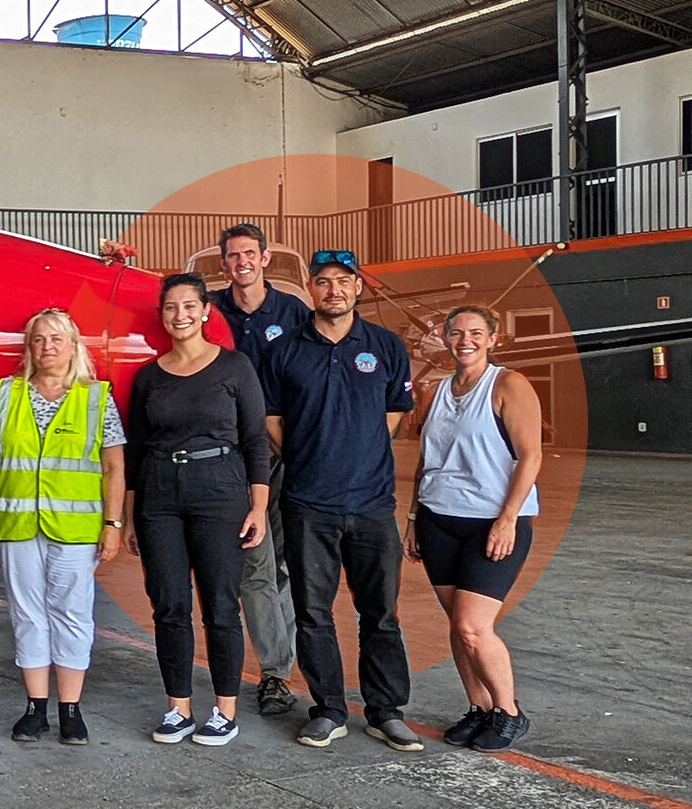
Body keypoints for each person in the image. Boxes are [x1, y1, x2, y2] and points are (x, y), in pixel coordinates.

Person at [261, 249, 420, 751]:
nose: (333, 289)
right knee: (313, 613)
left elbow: (395, 411)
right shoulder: (284, 348)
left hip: (373, 505)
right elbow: (270, 419)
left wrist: (360, 449)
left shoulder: (386, 346)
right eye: (323, 281)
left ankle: (385, 711)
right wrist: (312, 456)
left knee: (381, 613)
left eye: (343, 281)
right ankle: (329, 708)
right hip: (308, 504)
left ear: (357, 289)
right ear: (311, 289)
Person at [124, 275, 271, 747]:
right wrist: (129, 515)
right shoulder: (148, 376)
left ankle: (225, 710)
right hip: (159, 493)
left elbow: (254, 441)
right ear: (162, 315)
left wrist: (259, 506)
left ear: (206, 310)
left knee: (221, 604)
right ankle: (178, 707)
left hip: (219, 490)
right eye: (171, 307)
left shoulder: (235, 367)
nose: (180, 314)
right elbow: (135, 451)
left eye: (190, 305)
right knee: (169, 603)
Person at [0, 307, 126, 746]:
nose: (47, 347)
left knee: (73, 615)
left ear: (74, 345)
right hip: (19, 524)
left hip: (75, 528)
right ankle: (35, 708)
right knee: (27, 615)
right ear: (29, 347)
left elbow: (113, 466)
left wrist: (112, 523)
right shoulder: (5, 393)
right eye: (39, 339)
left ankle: (71, 710)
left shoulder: (97, 397)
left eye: (56, 338)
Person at [405, 306, 542, 752]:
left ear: (492, 339)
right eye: (457, 333)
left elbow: (530, 456)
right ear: (445, 339)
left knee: (472, 626)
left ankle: (509, 712)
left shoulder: (508, 385)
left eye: (476, 333)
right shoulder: (437, 392)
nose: (465, 340)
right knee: (456, 623)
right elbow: (427, 461)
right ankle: (479, 708)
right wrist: (412, 519)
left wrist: (507, 519)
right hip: (438, 519)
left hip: (491, 522)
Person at [208, 222, 305, 717]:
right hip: (238, 461)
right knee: (257, 567)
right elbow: (159, 304)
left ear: (265, 258)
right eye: (232, 256)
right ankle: (275, 675)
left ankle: (277, 668)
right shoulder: (207, 310)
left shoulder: (292, 312)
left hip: (291, 455)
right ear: (223, 264)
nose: (241, 262)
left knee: (287, 567)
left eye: (249, 253)